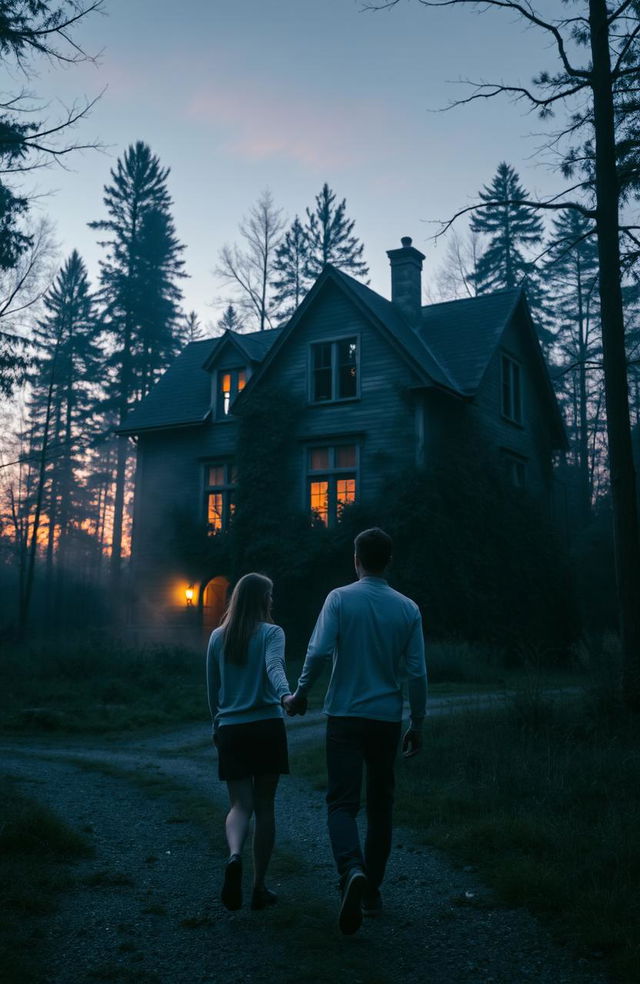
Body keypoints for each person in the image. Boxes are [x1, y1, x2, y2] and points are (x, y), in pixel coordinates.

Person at [285, 527, 427, 935]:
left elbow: (318, 651)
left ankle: (351, 870)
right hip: (386, 719)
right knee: (381, 806)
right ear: (390, 560)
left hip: (345, 716)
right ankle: (372, 893)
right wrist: (417, 722)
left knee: (342, 803)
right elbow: (416, 672)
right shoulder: (408, 608)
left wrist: (300, 694)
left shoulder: (340, 599)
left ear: (356, 559)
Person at [206, 572, 294, 912]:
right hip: (267, 726)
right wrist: (285, 695)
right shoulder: (272, 633)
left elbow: (212, 689)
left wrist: (217, 723)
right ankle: (258, 887)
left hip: (232, 728)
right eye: (269, 595)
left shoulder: (217, 637)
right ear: (261, 599)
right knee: (265, 806)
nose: (272, 601)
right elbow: (274, 666)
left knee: (240, 805)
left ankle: (234, 855)